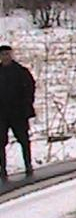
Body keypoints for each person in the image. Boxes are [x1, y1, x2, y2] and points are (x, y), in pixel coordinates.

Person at [0, 44, 36, 181]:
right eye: (3, 54)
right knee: (1, 142)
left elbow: (30, 89)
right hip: (2, 114)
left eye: (7, 54)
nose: (5, 57)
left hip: (18, 113)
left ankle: (28, 165)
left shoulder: (21, 71)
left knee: (24, 140)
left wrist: (26, 105)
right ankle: (2, 169)